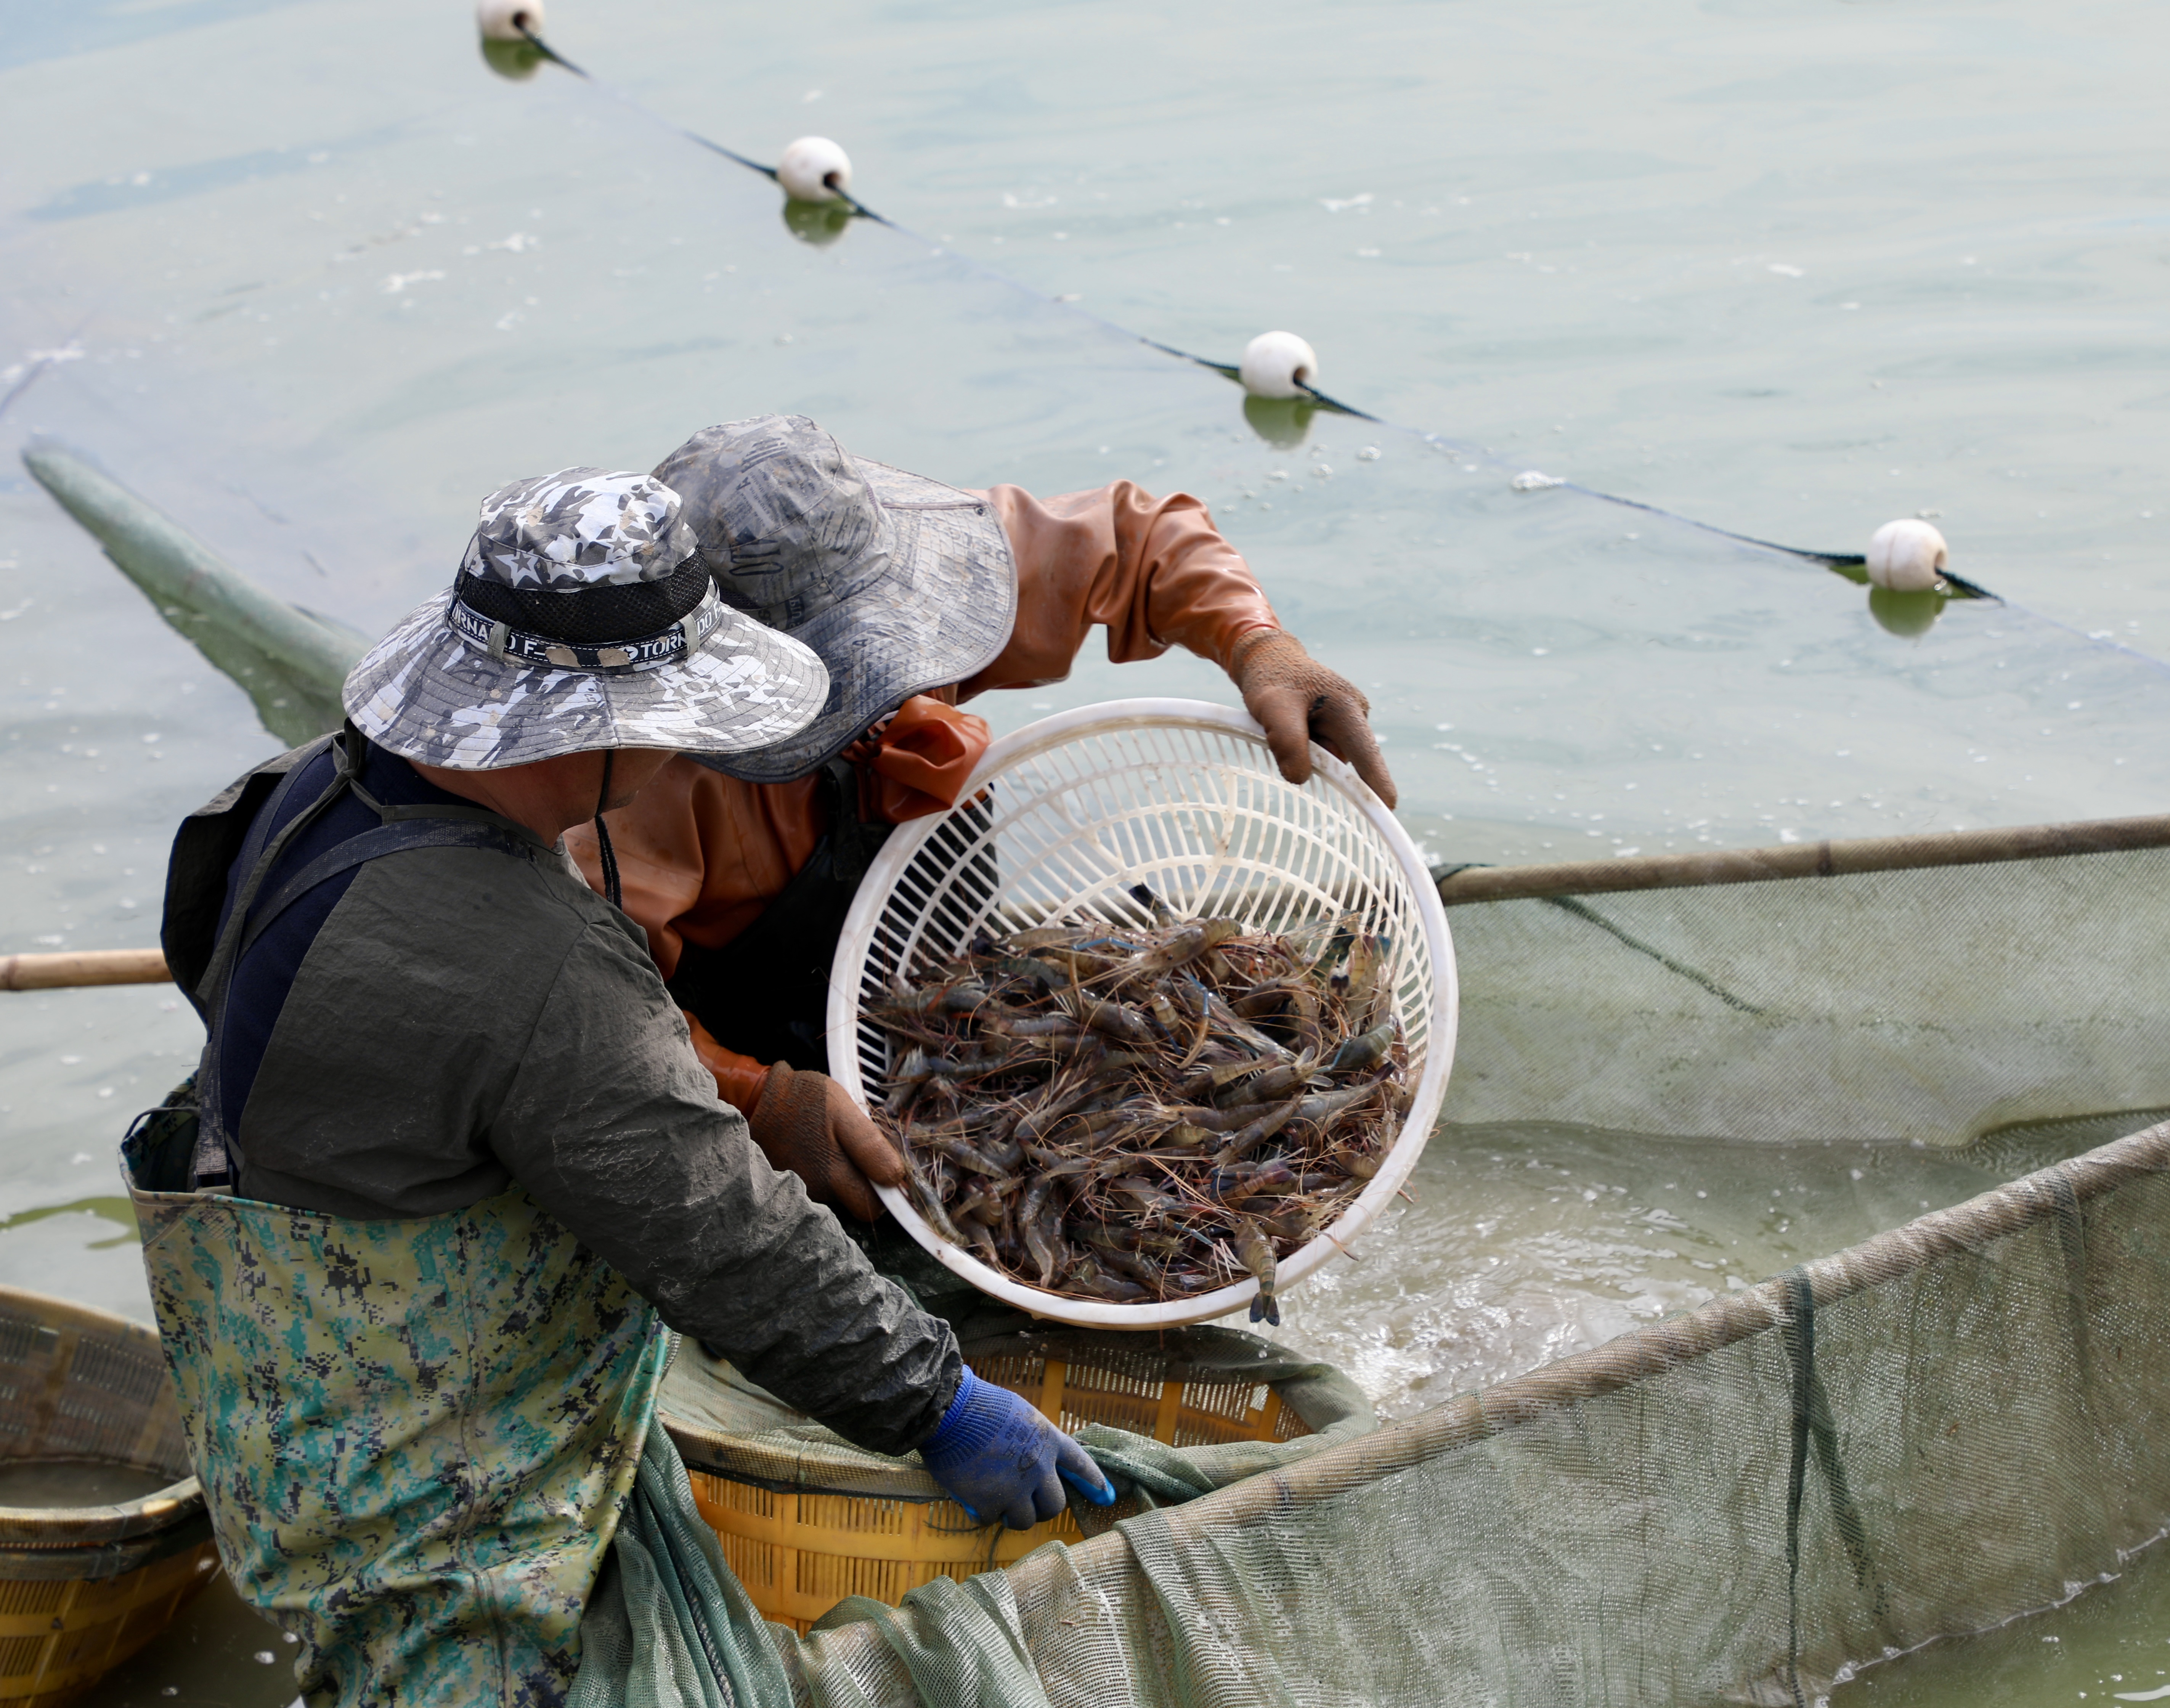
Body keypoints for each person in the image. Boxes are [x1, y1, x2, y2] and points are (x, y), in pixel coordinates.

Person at [128, 468, 1109, 1706]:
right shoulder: (527, 961)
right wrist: (937, 1401)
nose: (688, 747)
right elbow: (728, 1241)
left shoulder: (302, 788)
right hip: (420, 1468)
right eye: (675, 713)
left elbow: (201, 959)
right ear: (589, 727)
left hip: (266, 1362)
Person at [563, 414, 1399, 1227]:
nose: (877, 689)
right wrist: (757, 1097)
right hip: (772, 1054)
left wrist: (1259, 645)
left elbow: (1144, 539)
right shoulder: (633, 789)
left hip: (968, 1021)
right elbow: (597, 1014)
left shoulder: (941, 575)